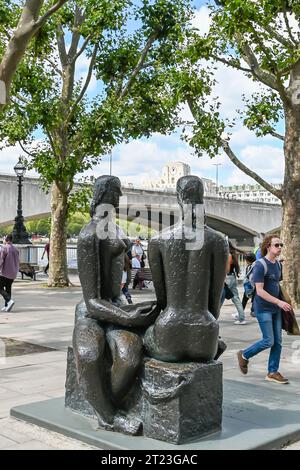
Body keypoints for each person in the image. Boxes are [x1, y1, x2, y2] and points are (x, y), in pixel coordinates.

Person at [72, 175, 158, 434]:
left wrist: (131, 312)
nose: (120, 198)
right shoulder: (89, 236)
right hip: (93, 312)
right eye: (116, 192)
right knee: (89, 355)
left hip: (118, 306)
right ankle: (108, 415)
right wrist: (128, 319)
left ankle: (112, 401)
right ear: (104, 194)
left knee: (129, 355)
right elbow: (93, 301)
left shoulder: (116, 229)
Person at [144, 175, 228, 362]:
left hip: (170, 328)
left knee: (140, 338)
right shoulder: (218, 241)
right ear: (202, 196)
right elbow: (215, 299)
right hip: (205, 330)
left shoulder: (158, 240)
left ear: (178, 198)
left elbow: (162, 299)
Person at [237, 234, 292, 384]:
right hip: (263, 308)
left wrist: (282, 302)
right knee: (268, 340)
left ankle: (272, 372)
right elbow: (260, 291)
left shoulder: (278, 265)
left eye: (281, 245)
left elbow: (275, 283)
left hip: (276, 309)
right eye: (276, 245)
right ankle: (244, 355)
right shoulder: (260, 265)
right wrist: (279, 302)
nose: (280, 247)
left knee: (278, 342)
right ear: (268, 246)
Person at [223, 241, 246, 325]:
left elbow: (227, 270)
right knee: (235, 298)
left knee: (220, 297)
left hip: (228, 277)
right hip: (232, 277)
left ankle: (214, 316)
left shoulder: (229, 255)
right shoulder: (232, 254)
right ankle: (241, 318)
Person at [0, 234, 19, 312]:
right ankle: (7, 305)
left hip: (5, 272)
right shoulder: (16, 249)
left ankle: (9, 300)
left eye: (4, 238)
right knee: (8, 288)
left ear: (6, 240)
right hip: (13, 272)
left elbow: (1, 260)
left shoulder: (4, 248)